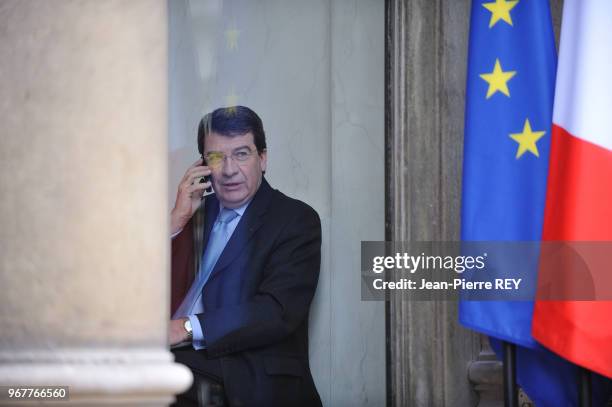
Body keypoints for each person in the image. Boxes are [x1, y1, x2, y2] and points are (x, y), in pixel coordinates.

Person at [168, 106, 322, 407]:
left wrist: (184, 328)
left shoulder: (294, 219)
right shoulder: (195, 213)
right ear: (202, 164)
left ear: (262, 159)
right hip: (178, 359)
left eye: (241, 154)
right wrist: (175, 222)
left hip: (242, 370)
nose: (228, 169)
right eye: (215, 157)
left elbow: (275, 310)